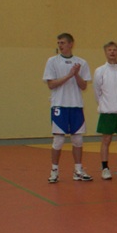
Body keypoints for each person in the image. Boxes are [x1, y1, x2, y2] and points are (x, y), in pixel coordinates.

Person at [44, 33, 92, 183]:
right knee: (58, 140)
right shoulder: (52, 61)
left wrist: (76, 75)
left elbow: (84, 86)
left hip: (76, 105)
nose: (60, 45)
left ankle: (78, 170)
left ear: (71, 44)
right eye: (58, 42)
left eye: (63, 42)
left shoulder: (81, 62)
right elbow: (51, 84)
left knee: (77, 139)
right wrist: (69, 75)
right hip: (59, 105)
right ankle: (54, 171)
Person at [93, 41, 117, 180]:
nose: (112, 52)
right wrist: (105, 105)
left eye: (114, 50)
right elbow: (97, 91)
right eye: (109, 50)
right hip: (107, 112)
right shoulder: (100, 71)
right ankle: (105, 168)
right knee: (106, 140)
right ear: (105, 52)